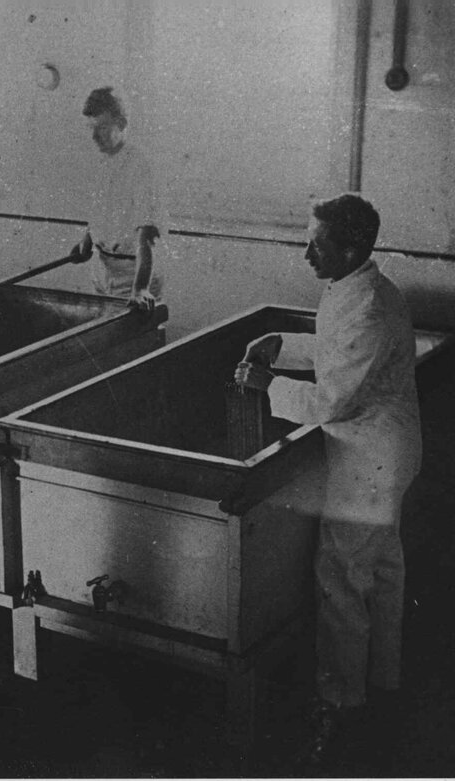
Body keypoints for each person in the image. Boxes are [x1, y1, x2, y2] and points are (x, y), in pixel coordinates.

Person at [234, 193, 421, 764]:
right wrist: (281, 344)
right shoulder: (363, 287)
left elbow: (335, 399)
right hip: (389, 451)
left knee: (340, 577)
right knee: (382, 569)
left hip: (368, 459)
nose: (305, 252)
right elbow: (339, 349)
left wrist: (266, 384)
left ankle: (340, 704)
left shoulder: (367, 307)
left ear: (353, 246)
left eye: (316, 243)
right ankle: (383, 683)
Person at [72, 86, 166, 312]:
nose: (94, 136)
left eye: (102, 127)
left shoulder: (142, 167)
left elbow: (147, 236)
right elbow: (101, 213)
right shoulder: (100, 162)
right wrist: (86, 242)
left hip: (133, 275)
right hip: (103, 272)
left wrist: (140, 288)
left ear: (122, 124)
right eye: (91, 128)